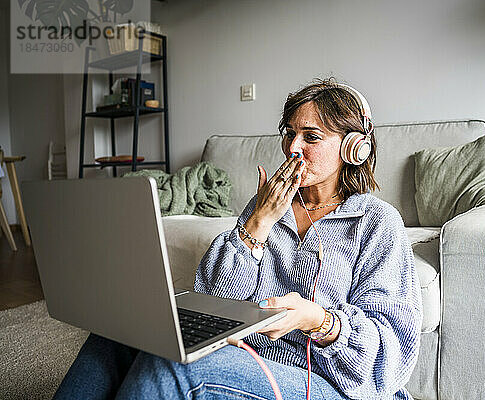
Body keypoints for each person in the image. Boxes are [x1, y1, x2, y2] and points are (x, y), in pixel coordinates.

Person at [53, 79, 423, 400]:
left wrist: (318, 321)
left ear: (353, 148)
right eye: (289, 134)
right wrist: (259, 224)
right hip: (250, 357)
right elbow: (212, 297)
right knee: (123, 335)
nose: (293, 147)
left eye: (311, 137)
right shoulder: (265, 204)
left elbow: (387, 357)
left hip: (330, 384)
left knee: (171, 367)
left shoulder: (378, 223)